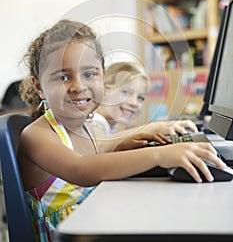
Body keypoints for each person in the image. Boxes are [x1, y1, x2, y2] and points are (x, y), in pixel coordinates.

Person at [18, 19, 225, 242]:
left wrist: (122, 143)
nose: (78, 86)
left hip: (96, 224)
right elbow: (80, 169)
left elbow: (101, 149)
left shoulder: (86, 128)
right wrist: (159, 154)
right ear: (39, 87)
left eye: (89, 74)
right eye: (63, 77)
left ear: (103, 76)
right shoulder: (36, 135)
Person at [89, 61, 198, 136]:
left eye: (140, 98)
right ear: (103, 89)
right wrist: (153, 128)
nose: (134, 103)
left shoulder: (108, 124)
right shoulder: (95, 122)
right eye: (126, 92)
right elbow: (102, 147)